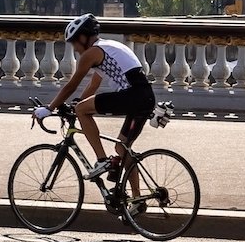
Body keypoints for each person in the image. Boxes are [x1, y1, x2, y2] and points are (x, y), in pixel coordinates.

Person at [34, 13, 156, 184]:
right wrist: (78, 103)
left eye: (75, 42)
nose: (75, 48)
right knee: (122, 149)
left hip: (133, 95)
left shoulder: (92, 53)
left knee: (82, 110)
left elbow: (72, 85)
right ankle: (137, 201)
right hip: (145, 97)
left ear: (83, 37)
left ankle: (102, 160)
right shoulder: (107, 47)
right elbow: (94, 84)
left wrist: (49, 108)